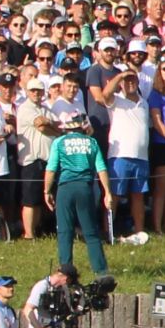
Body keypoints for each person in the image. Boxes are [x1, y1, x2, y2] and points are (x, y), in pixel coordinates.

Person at [45, 104, 114, 276]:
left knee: (65, 230)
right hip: (85, 187)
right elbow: (101, 168)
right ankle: (101, 271)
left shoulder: (59, 142)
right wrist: (107, 192)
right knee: (91, 231)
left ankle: (65, 269)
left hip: (65, 188)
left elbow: (51, 168)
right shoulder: (92, 142)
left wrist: (46, 190)